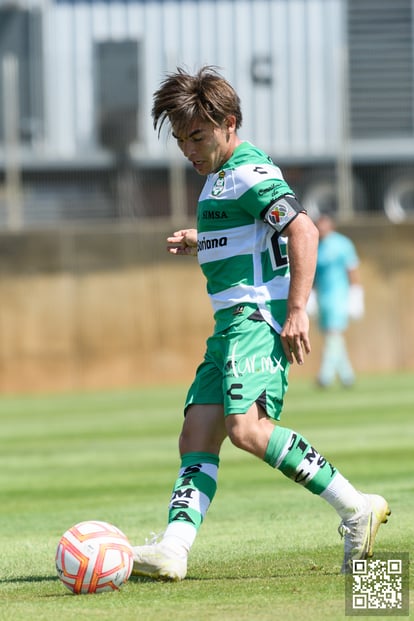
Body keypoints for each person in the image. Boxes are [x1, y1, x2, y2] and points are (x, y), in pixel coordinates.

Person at [131, 66, 390, 580]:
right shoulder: (220, 178)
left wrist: (295, 311)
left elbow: (304, 231)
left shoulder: (247, 170)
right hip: (228, 323)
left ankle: (355, 505)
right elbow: (255, 236)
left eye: (198, 136)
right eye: (181, 139)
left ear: (229, 123)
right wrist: (199, 238)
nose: (188, 149)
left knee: (246, 429)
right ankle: (174, 551)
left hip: (254, 318)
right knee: (196, 435)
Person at [310, 213, 364, 387]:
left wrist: (356, 293)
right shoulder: (315, 246)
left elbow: (352, 269)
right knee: (331, 335)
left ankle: (324, 376)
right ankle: (347, 376)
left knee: (333, 334)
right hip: (323, 298)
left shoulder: (343, 244)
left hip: (339, 296)